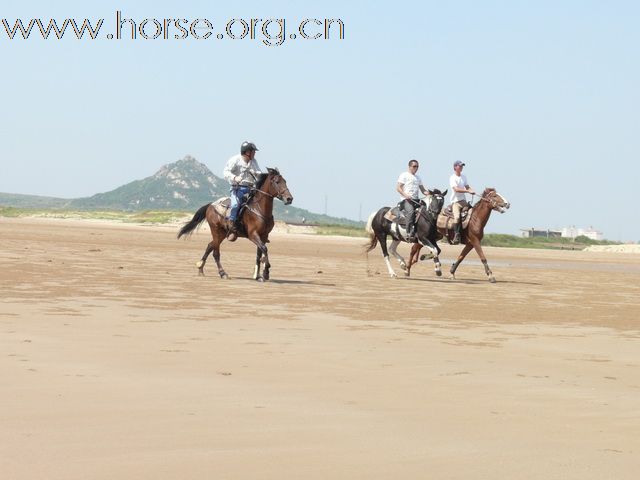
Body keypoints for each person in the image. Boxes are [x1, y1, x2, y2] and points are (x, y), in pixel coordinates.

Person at [223, 141, 262, 238]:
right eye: (253, 151)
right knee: (236, 205)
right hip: (237, 188)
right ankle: (232, 224)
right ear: (247, 152)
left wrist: (257, 173)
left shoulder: (254, 161)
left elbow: (259, 172)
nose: (255, 153)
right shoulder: (235, 160)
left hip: (250, 189)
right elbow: (225, 172)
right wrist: (235, 178)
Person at [396, 159, 430, 240]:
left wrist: (429, 193)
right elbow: (398, 188)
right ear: (409, 166)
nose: (416, 168)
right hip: (406, 200)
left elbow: (423, 190)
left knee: (426, 211)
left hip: (416, 200)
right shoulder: (404, 175)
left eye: (417, 166)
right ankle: (408, 233)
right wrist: (406, 195)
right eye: (414, 166)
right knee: (411, 212)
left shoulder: (418, 177)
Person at [449, 160, 475, 244]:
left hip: (463, 201)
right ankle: (456, 235)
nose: (461, 167)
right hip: (455, 202)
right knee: (457, 217)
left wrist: (471, 190)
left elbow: (467, 186)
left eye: (462, 166)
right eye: (460, 166)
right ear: (455, 167)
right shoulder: (452, 177)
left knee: (473, 212)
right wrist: (467, 191)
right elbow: (456, 189)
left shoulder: (464, 177)